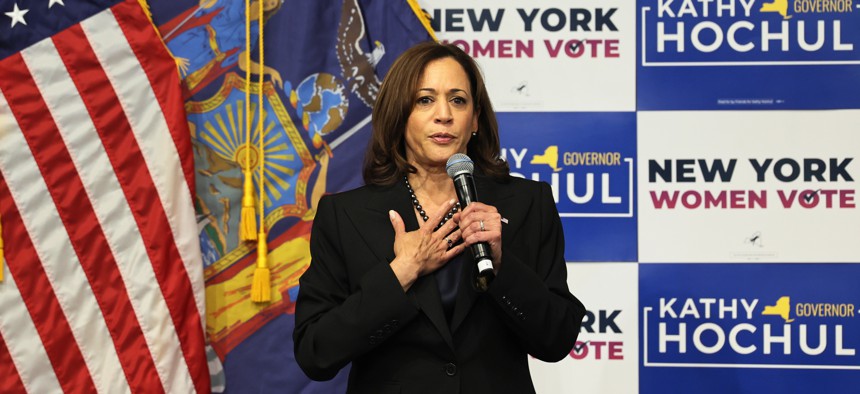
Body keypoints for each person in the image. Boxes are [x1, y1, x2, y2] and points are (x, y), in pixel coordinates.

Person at [293, 41, 586, 394]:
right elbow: (315, 353)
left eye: (458, 100)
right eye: (425, 100)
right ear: (399, 115)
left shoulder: (526, 204)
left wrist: (501, 263)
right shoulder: (345, 216)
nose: (443, 114)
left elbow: (556, 339)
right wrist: (400, 272)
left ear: (475, 118)